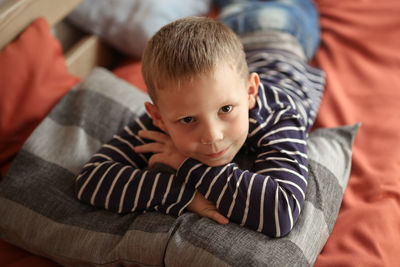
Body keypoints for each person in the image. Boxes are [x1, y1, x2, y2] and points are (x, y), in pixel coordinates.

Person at [75, 0, 325, 237]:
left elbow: (281, 213)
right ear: (158, 117)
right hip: (233, 49)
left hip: (282, 29)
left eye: (226, 109)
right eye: (187, 120)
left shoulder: (278, 115)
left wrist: (185, 162)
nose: (212, 136)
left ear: (250, 93)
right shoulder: (175, 107)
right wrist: (185, 197)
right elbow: (92, 180)